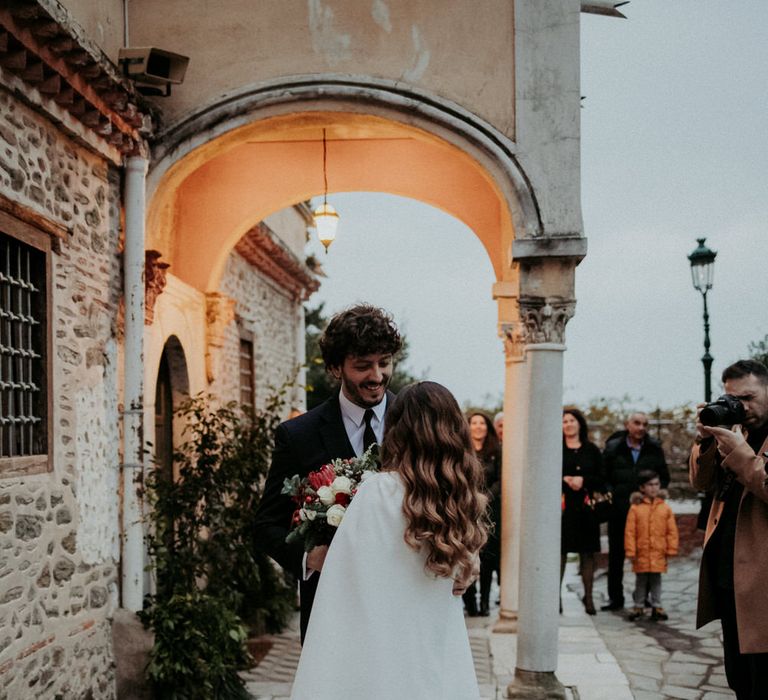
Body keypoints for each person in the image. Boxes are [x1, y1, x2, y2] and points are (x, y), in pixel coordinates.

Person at [290, 381, 489, 700]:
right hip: (435, 647)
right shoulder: (458, 499)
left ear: (397, 430)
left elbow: (344, 580)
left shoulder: (379, 492)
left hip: (381, 647)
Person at [253, 303, 402, 641]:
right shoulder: (298, 435)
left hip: (404, 605)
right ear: (336, 368)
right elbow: (266, 525)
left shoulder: (416, 423)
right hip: (333, 611)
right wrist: (309, 557)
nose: (377, 376)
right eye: (363, 366)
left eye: (384, 363)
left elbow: (452, 500)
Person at [690, 359, 768, 699]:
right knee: (739, 681)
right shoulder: (739, 432)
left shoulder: (743, 443)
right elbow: (701, 482)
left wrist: (740, 454)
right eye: (734, 399)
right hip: (730, 581)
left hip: (762, 585)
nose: (742, 407)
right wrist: (704, 441)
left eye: (749, 397)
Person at [601, 412, 670, 611]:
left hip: (646, 512)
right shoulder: (614, 448)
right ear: (627, 425)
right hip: (619, 509)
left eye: (645, 424)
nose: (641, 427)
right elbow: (604, 475)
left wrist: (657, 495)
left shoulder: (653, 448)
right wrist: (610, 493)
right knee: (616, 554)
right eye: (637, 423)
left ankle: (645, 597)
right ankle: (615, 597)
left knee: (646, 552)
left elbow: (664, 476)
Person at [560, 407, 603, 615]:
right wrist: (563, 480)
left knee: (587, 554)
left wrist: (583, 480)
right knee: (560, 553)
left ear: (579, 424)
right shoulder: (556, 449)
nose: (568, 424)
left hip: (586, 509)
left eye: (571, 420)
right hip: (563, 509)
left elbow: (602, 478)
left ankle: (589, 597)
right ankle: (555, 596)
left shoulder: (591, 450)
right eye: (564, 421)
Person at [624, 469, 679, 622]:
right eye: (650, 485)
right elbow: (630, 531)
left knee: (656, 580)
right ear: (642, 488)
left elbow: (671, 530)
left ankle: (657, 606)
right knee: (641, 580)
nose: (654, 488)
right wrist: (630, 550)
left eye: (656, 484)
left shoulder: (665, 508)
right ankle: (638, 606)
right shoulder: (635, 508)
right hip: (641, 552)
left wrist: (671, 548)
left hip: (658, 551)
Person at [462, 411, 501, 617]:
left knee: (487, 558)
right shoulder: (462, 450)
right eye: (474, 423)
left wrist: (486, 497)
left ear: (488, 427)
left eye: (482, 423)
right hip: (467, 507)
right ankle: (470, 602)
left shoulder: (497, 451)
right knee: (467, 554)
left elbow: (501, 479)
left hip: (491, 509)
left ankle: (485, 600)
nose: (478, 427)